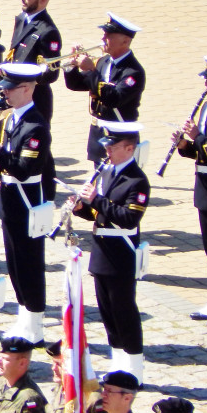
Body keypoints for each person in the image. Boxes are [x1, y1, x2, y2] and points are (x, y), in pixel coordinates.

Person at [0, 64, 52, 346]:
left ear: (27, 89)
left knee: (29, 264)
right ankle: (24, 318)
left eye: (10, 88)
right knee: (16, 264)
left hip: (26, 201)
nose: (4, 92)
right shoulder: (16, 119)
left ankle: (34, 325)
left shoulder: (35, 125)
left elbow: (24, 168)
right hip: (12, 200)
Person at [71, 123, 150, 382]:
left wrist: (96, 200)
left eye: (113, 146)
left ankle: (135, 368)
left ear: (130, 149)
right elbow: (101, 214)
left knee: (124, 310)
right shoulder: (108, 172)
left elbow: (127, 218)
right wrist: (82, 207)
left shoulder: (137, 181)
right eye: (106, 145)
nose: (107, 150)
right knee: (108, 313)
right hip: (102, 251)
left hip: (121, 253)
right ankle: (118, 365)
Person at [63, 13, 145, 164]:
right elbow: (76, 84)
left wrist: (92, 71)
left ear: (125, 41)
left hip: (119, 136)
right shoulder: (104, 62)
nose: (103, 39)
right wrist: (71, 65)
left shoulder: (133, 72)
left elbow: (114, 98)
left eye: (109, 36)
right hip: (99, 133)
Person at [0, 0, 62, 122]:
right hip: (15, 94)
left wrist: (18, 76)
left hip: (34, 98)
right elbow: (15, 54)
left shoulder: (48, 31)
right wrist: (3, 67)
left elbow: (50, 74)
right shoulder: (22, 19)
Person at [177, 58, 207, 327]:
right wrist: (185, 145)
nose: (206, 84)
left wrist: (199, 139)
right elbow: (203, 153)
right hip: (205, 187)